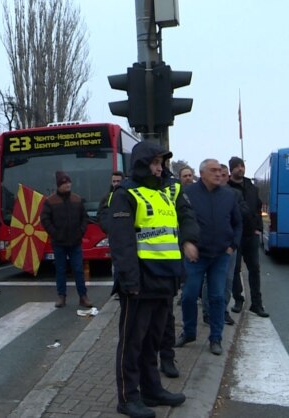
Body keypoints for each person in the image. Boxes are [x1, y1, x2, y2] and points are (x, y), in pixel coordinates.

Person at [107, 141, 198, 417]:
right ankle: (127, 398)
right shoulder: (125, 194)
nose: (161, 168)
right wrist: (130, 282)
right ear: (143, 164)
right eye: (156, 163)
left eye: (162, 163)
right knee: (132, 343)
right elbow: (121, 243)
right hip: (140, 283)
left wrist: (189, 241)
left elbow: (181, 221)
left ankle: (151, 390)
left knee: (152, 341)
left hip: (164, 280)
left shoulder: (166, 192)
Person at [176, 159, 242, 356]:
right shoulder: (188, 194)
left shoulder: (229, 195)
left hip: (221, 255)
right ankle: (189, 332)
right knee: (188, 295)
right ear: (202, 173)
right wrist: (186, 243)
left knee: (217, 297)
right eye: (213, 170)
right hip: (196, 255)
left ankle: (216, 338)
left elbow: (238, 223)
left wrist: (232, 246)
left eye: (220, 171)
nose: (218, 174)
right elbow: (178, 221)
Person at [200, 164, 246, 326]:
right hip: (209, 247)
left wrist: (233, 245)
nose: (221, 176)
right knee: (209, 281)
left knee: (227, 280)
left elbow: (241, 218)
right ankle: (207, 312)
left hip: (228, 246)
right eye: (218, 173)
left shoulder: (234, 195)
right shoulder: (205, 195)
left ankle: (222, 311)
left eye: (224, 174)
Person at [40, 171, 92, 308]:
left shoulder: (77, 199)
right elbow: (45, 220)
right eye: (64, 183)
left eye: (68, 182)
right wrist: (54, 234)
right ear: (59, 185)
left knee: (78, 270)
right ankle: (61, 296)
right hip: (59, 243)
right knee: (60, 270)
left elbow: (84, 218)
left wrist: (80, 232)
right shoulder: (50, 201)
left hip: (75, 242)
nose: (68, 185)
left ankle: (83, 296)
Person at [228, 156, 268, 317]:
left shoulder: (251, 187)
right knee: (235, 269)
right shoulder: (227, 187)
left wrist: (258, 227)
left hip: (251, 234)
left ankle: (257, 304)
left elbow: (258, 208)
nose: (240, 169)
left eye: (242, 166)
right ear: (231, 170)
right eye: (237, 166)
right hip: (235, 235)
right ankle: (238, 299)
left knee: (254, 269)